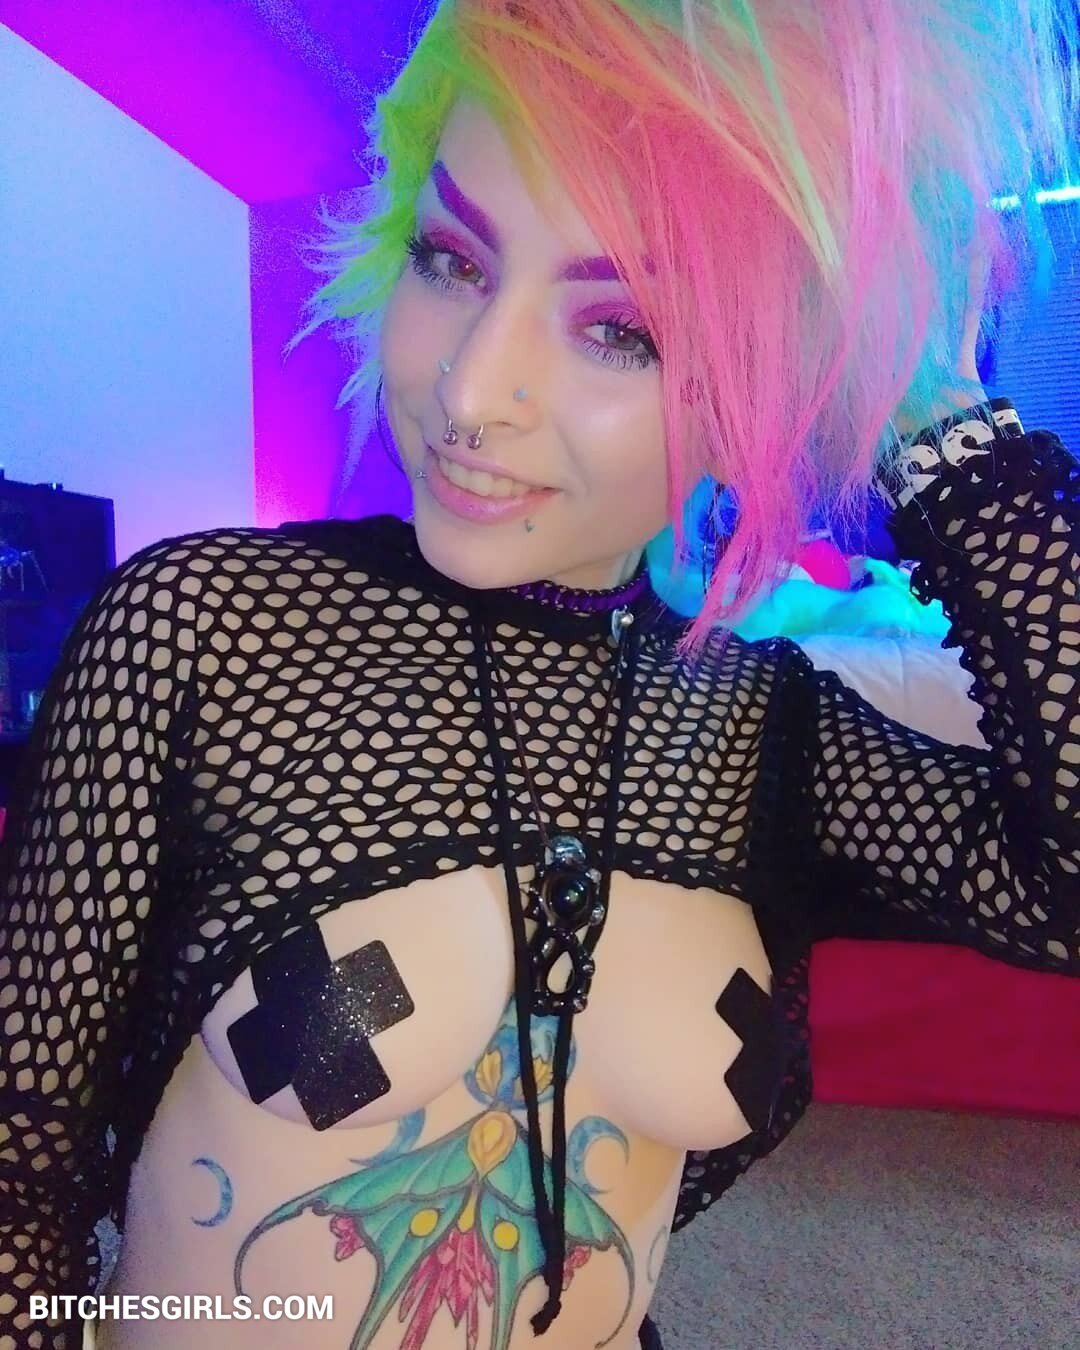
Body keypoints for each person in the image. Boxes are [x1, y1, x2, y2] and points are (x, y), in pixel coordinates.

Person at [1, 2, 1077, 1347]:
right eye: (451, 258)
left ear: (767, 377)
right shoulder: (204, 630)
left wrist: (936, 414)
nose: (471, 391)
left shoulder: (757, 722)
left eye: (619, 329)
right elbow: (18, 1172)